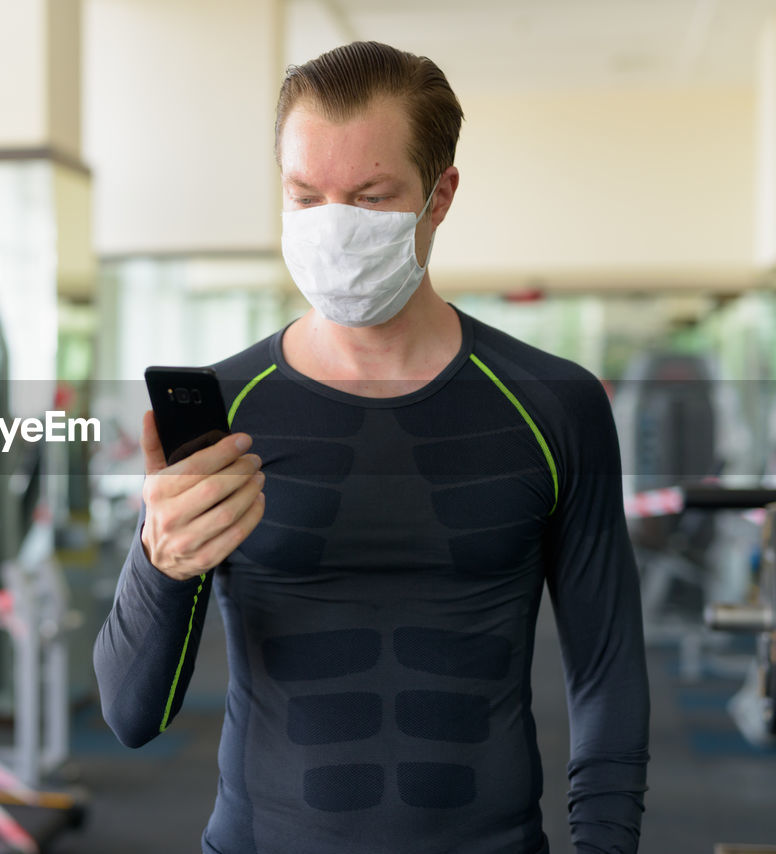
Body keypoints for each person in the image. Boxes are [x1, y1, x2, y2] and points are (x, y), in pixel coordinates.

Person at [93, 40, 650, 854]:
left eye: (369, 196)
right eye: (306, 195)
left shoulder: (553, 404)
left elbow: (607, 674)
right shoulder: (228, 407)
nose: (333, 227)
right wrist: (160, 560)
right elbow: (130, 717)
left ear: (440, 194)